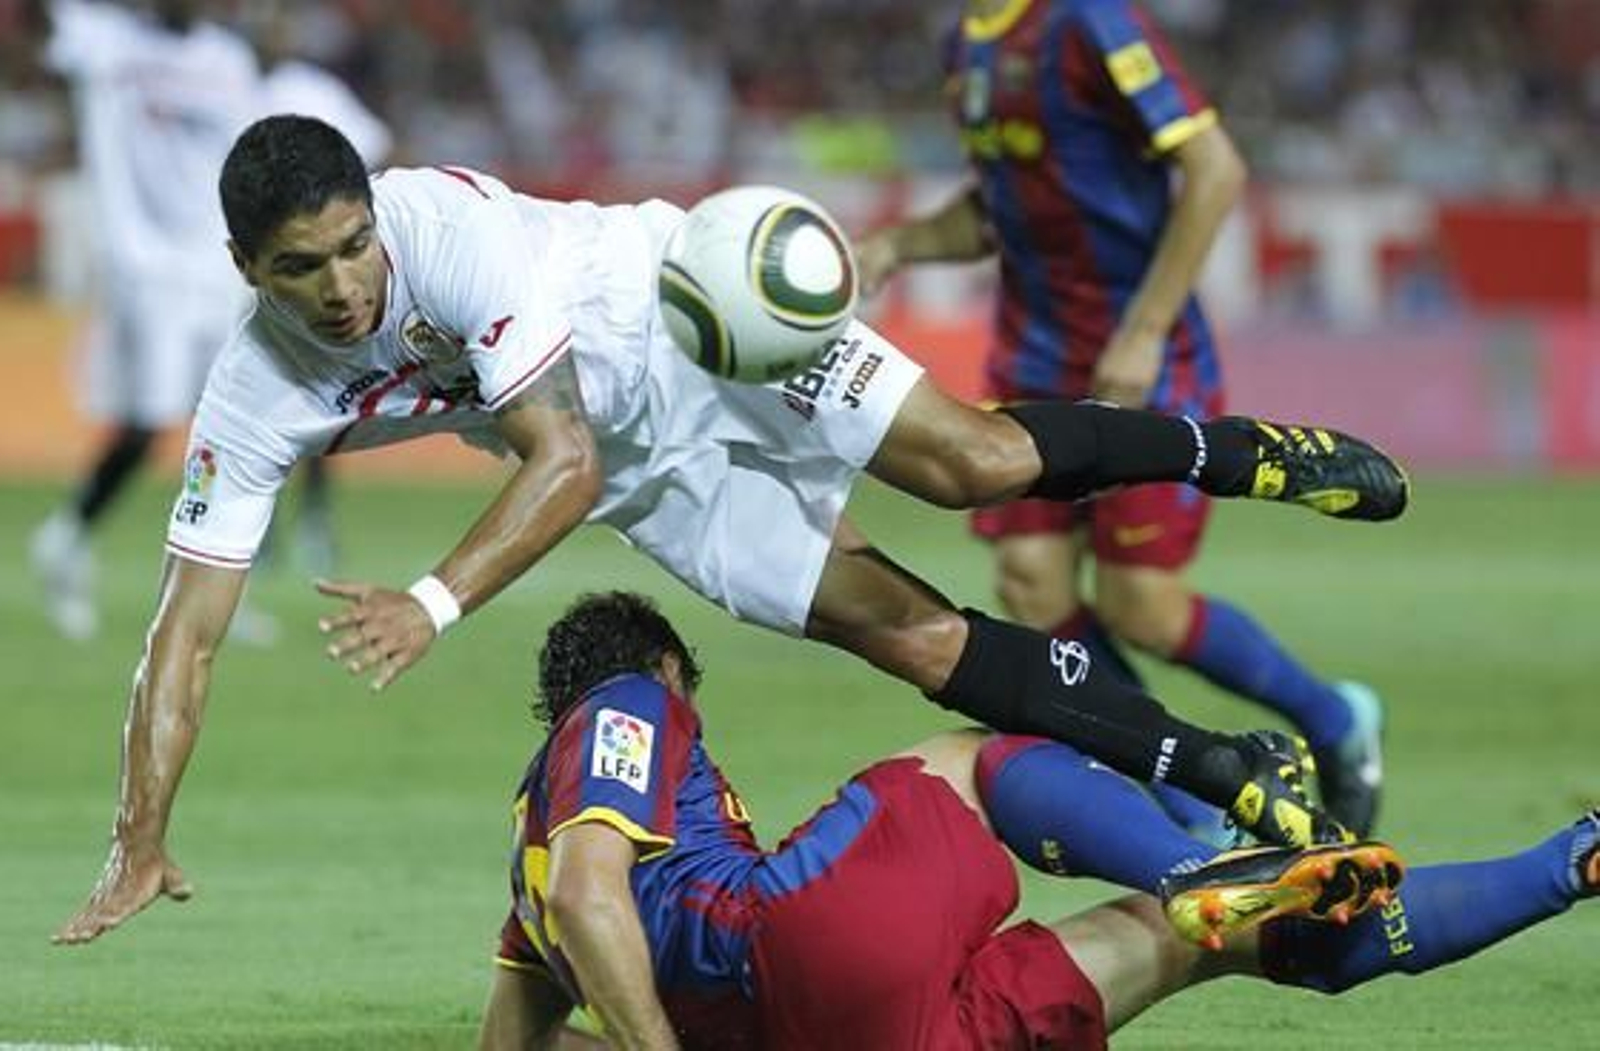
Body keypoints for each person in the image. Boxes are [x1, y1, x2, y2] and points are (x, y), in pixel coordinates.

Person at [51, 115, 1409, 946]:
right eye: (303, 268)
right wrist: (137, 833)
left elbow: (559, 457)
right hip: (653, 474)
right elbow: (185, 635)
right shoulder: (254, 392)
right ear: (247, 270)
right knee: (917, 641)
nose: (347, 286)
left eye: (354, 245)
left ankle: (1243, 451)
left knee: (973, 461)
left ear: (375, 211)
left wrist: (435, 599)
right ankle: (1223, 766)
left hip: (693, 315)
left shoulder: (443, 232)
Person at [479, 591, 1598, 1050]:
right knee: (970, 756)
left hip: (852, 1034)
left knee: (1235, 942)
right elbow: (590, 885)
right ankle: (1193, 862)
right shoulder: (622, 703)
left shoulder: (523, 908)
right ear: (666, 673)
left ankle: (1569, 860)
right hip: (792, 944)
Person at [855, 0, 1385, 835]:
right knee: (1031, 582)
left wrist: (1143, 329)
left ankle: (1335, 717)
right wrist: (895, 246)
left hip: (1145, 351)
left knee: (1143, 606)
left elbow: (1216, 169)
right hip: (1035, 358)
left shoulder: (1088, 20)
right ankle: (1195, 803)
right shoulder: (970, 40)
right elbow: (1003, 205)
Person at [23, 0, 260, 640]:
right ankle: (67, 536)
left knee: (231, 424)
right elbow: (36, 25)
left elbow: (244, 158)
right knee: (151, 422)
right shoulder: (104, 37)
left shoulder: (227, 59)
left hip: (214, 267)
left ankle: (214, 581)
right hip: (144, 267)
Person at [249, 0, 394, 575]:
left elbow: (375, 149)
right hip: (246, 272)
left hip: (303, 273)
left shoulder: (310, 90)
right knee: (258, 403)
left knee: (315, 398)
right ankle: (261, 528)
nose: (273, 36)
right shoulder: (222, 81)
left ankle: (310, 519)